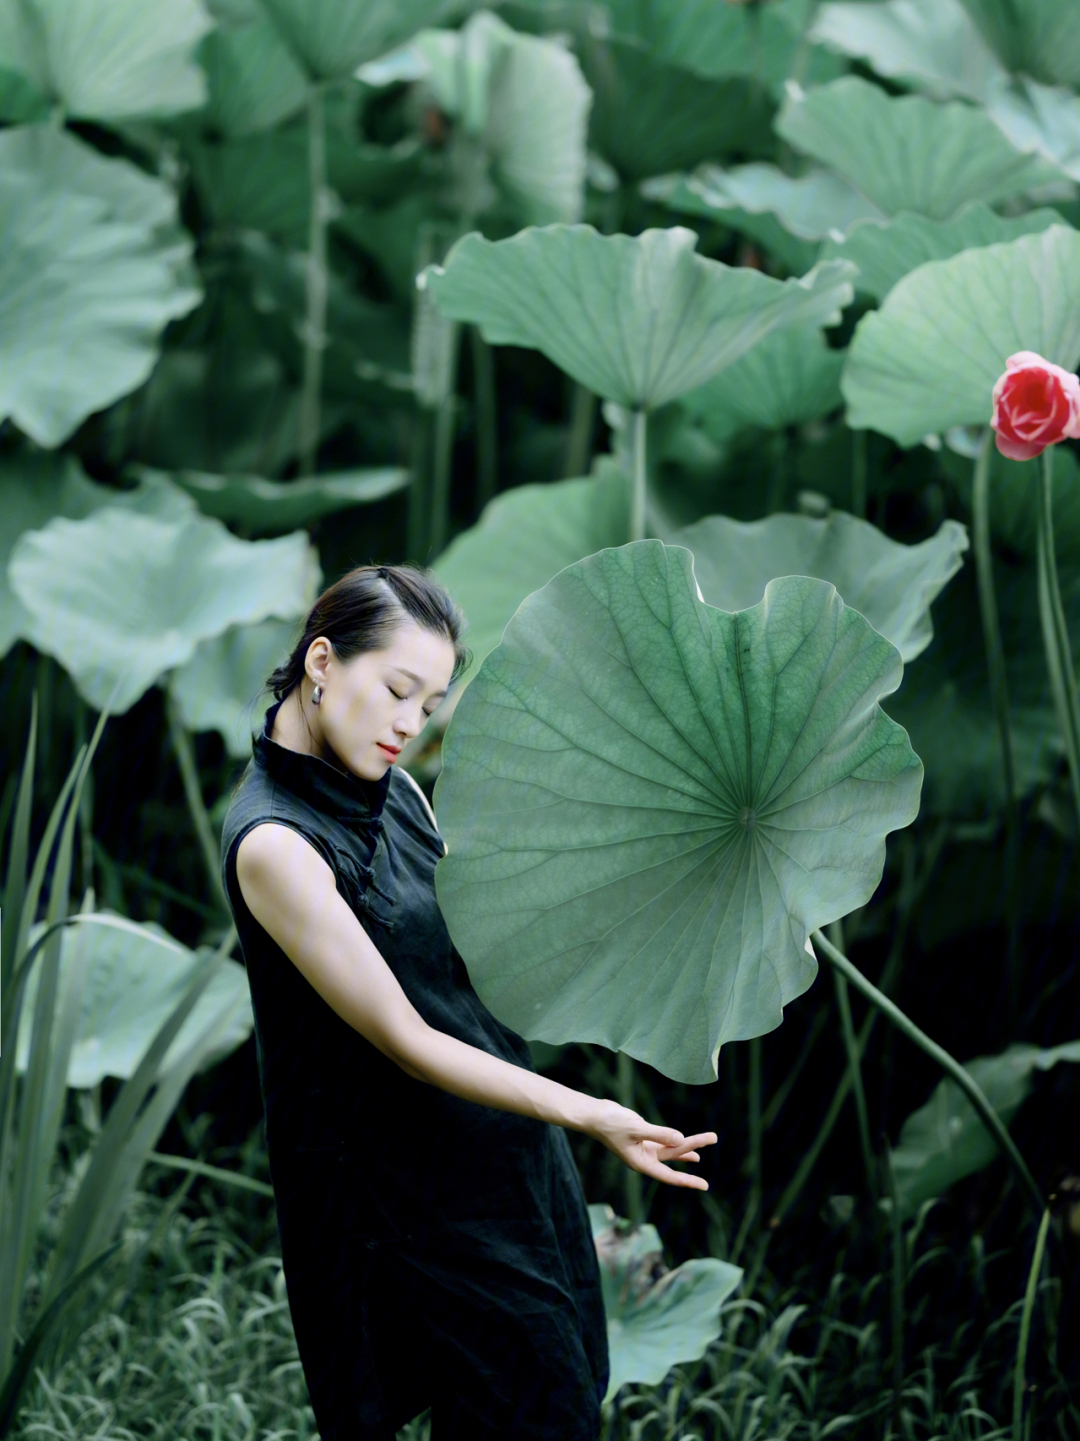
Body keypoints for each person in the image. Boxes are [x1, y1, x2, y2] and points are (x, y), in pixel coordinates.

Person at [220, 563, 718, 1441]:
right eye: (397, 690)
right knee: (531, 1408)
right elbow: (406, 1037)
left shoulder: (402, 794)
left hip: (498, 1147)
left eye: (432, 701)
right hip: (399, 1192)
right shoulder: (276, 846)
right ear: (323, 662)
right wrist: (590, 1112)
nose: (411, 725)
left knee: (559, 1391)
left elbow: (479, 957)